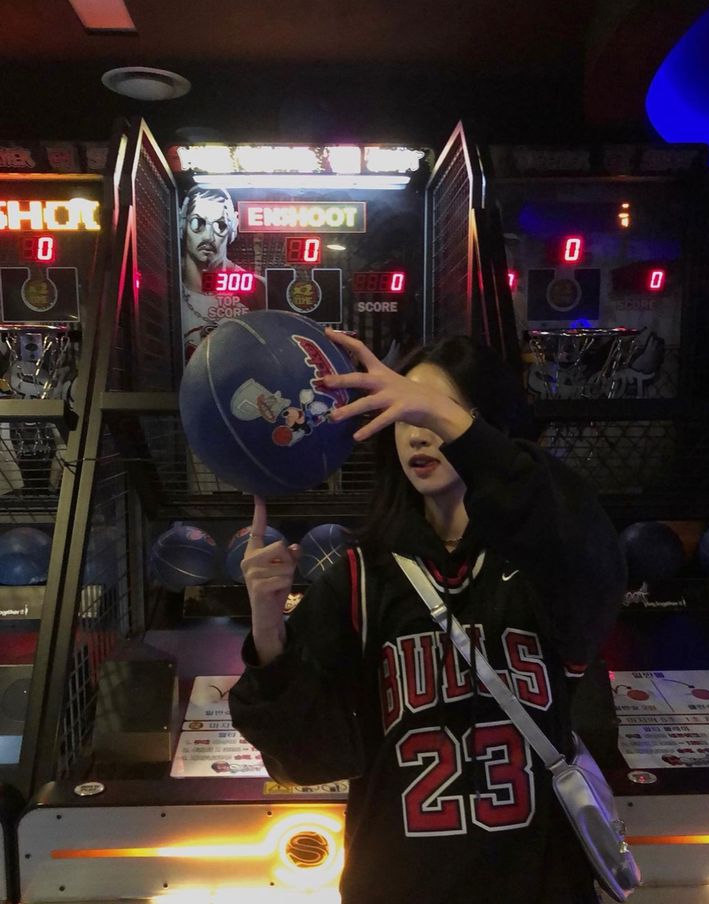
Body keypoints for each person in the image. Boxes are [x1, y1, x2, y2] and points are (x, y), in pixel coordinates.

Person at [228, 329, 627, 904]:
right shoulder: (360, 577)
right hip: (399, 884)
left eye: (436, 413)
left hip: (538, 882)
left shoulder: (541, 560)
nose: (418, 432)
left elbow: (587, 550)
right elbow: (307, 758)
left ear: (481, 425)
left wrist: (454, 424)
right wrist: (267, 628)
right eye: (400, 412)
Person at [179, 185, 265, 361]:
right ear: (183, 224)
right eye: (198, 223)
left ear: (232, 230)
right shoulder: (167, 288)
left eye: (220, 225)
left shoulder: (258, 289)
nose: (208, 237)